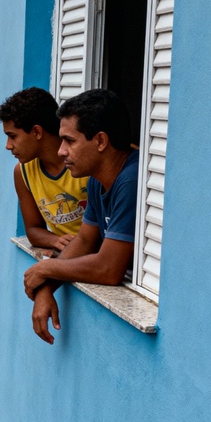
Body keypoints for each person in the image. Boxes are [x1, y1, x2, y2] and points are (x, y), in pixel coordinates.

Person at [23, 89, 138, 344]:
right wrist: (46, 289)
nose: (61, 151)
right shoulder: (98, 179)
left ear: (100, 141)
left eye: (70, 141)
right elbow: (84, 242)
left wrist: (47, 267)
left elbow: (109, 269)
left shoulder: (131, 181)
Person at [0, 87, 88, 253]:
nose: (8, 146)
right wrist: (57, 240)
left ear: (37, 132)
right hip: (69, 257)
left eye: (13, 136)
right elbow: (33, 230)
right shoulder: (23, 173)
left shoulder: (85, 164)